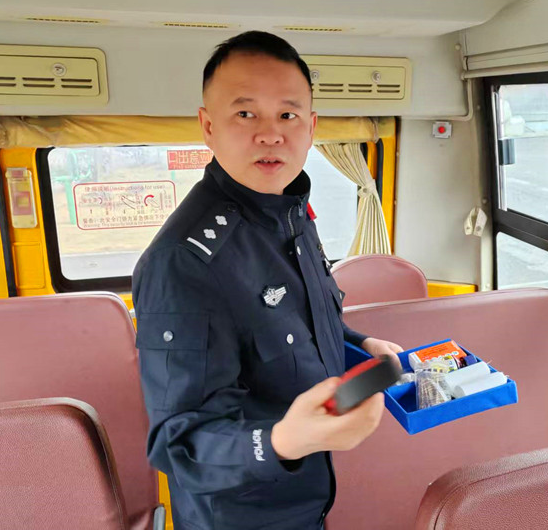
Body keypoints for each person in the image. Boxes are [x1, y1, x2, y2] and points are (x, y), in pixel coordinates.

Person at [132, 31, 404, 530]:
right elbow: (180, 445)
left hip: (309, 503)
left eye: (288, 115)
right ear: (208, 126)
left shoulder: (290, 210)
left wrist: (359, 345)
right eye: (245, 113)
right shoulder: (183, 262)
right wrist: (283, 440)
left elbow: (297, 323)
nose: (271, 134)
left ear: (311, 126)